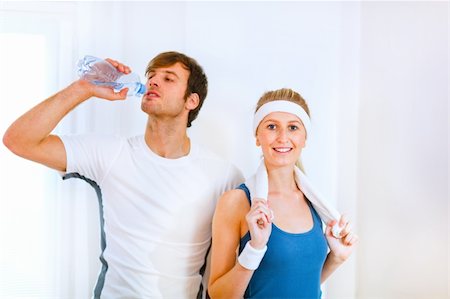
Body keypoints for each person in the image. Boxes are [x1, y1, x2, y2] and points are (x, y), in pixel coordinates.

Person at [3, 51, 243, 298]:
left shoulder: (223, 176)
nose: (153, 81)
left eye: (168, 78)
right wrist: (83, 88)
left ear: (191, 101)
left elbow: (228, 268)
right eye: (151, 76)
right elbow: (19, 140)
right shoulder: (111, 154)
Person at [208, 88, 358, 298]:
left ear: (304, 139)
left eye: (293, 127)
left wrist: (337, 258)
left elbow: (300, 283)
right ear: (257, 137)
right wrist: (255, 248)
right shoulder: (237, 202)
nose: (282, 137)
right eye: (272, 127)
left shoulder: (313, 202)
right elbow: (218, 294)